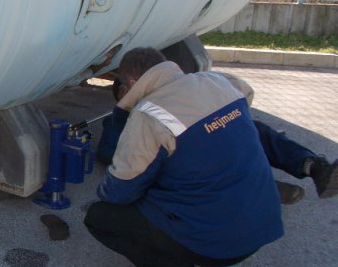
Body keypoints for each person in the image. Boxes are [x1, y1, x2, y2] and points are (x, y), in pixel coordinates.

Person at [84, 48, 287, 267]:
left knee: (101, 217)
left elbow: (120, 191)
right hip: (265, 223)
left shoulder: (149, 114)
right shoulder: (216, 81)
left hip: (221, 244)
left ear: (131, 83)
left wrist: (106, 184)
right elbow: (244, 101)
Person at [97, 80, 338, 204]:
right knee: (194, 158)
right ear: (124, 94)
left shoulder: (174, 98)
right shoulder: (123, 122)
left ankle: (313, 166)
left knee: (250, 127)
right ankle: (262, 186)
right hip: (184, 163)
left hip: (202, 142)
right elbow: (109, 153)